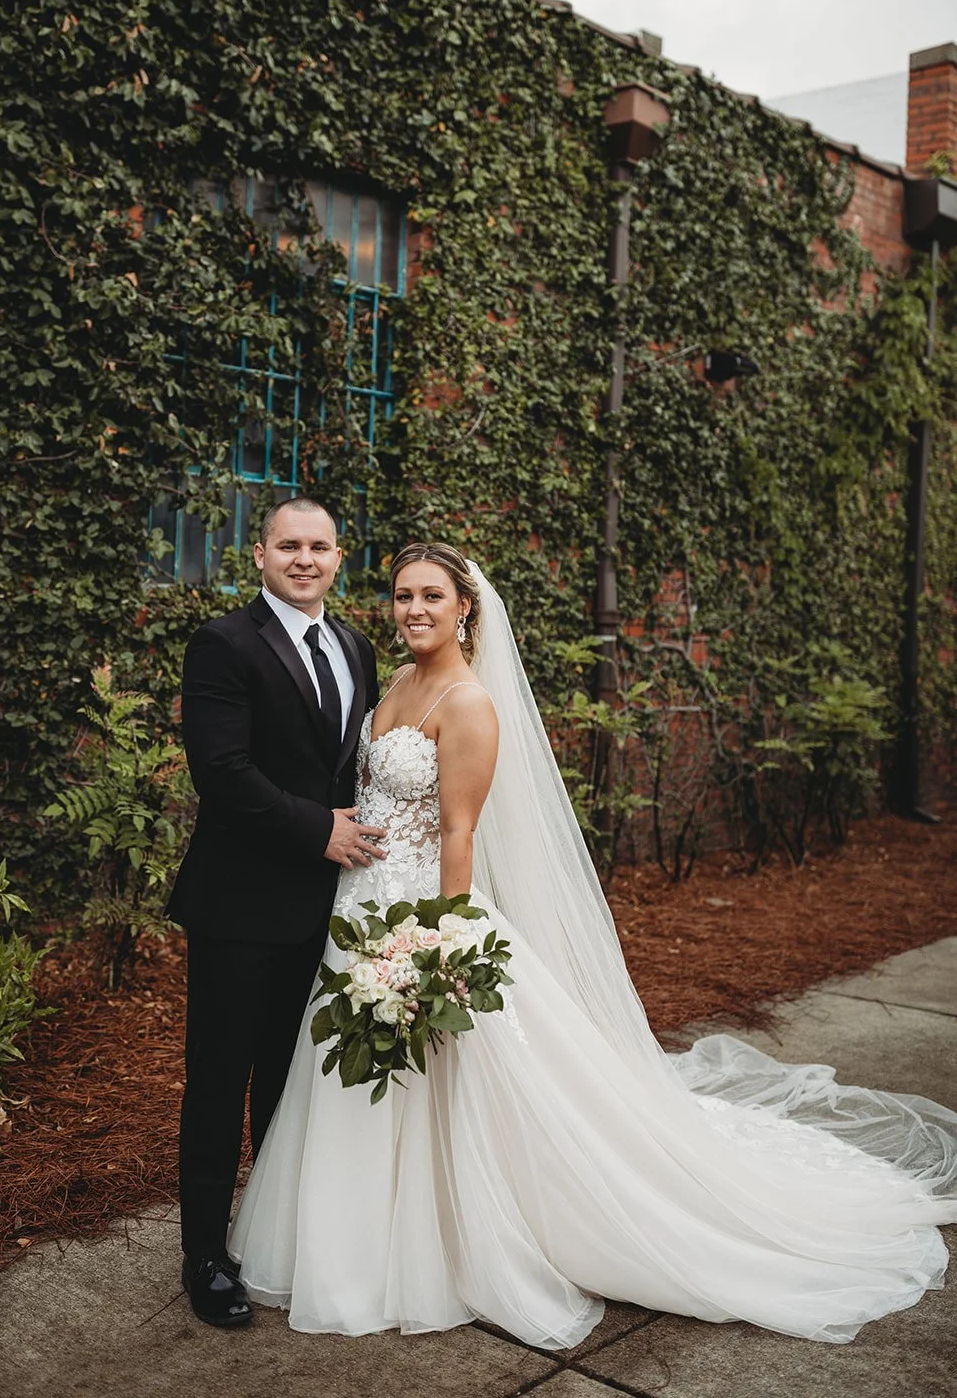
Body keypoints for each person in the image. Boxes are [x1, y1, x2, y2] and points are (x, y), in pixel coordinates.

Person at [227, 540, 957, 1349]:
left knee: (449, 1081)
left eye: (432, 596)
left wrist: (434, 945)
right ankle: (352, 1237)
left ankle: (448, 1239)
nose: (415, 611)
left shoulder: (468, 702)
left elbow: (460, 832)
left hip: (422, 917)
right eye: (402, 596)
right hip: (356, 908)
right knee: (355, 1082)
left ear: (465, 606)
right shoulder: (396, 678)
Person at [169, 498, 384, 1327]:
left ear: (338, 560)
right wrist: (317, 829)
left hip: (326, 912)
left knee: (293, 1089)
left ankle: (274, 1234)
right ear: (257, 555)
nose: (304, 559)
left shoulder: (354, 645)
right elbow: (220, 772)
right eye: (287, 545)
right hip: (239, 905)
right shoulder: (224, 644)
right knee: (220, 1085)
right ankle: (205, 1257)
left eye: (319, 547)